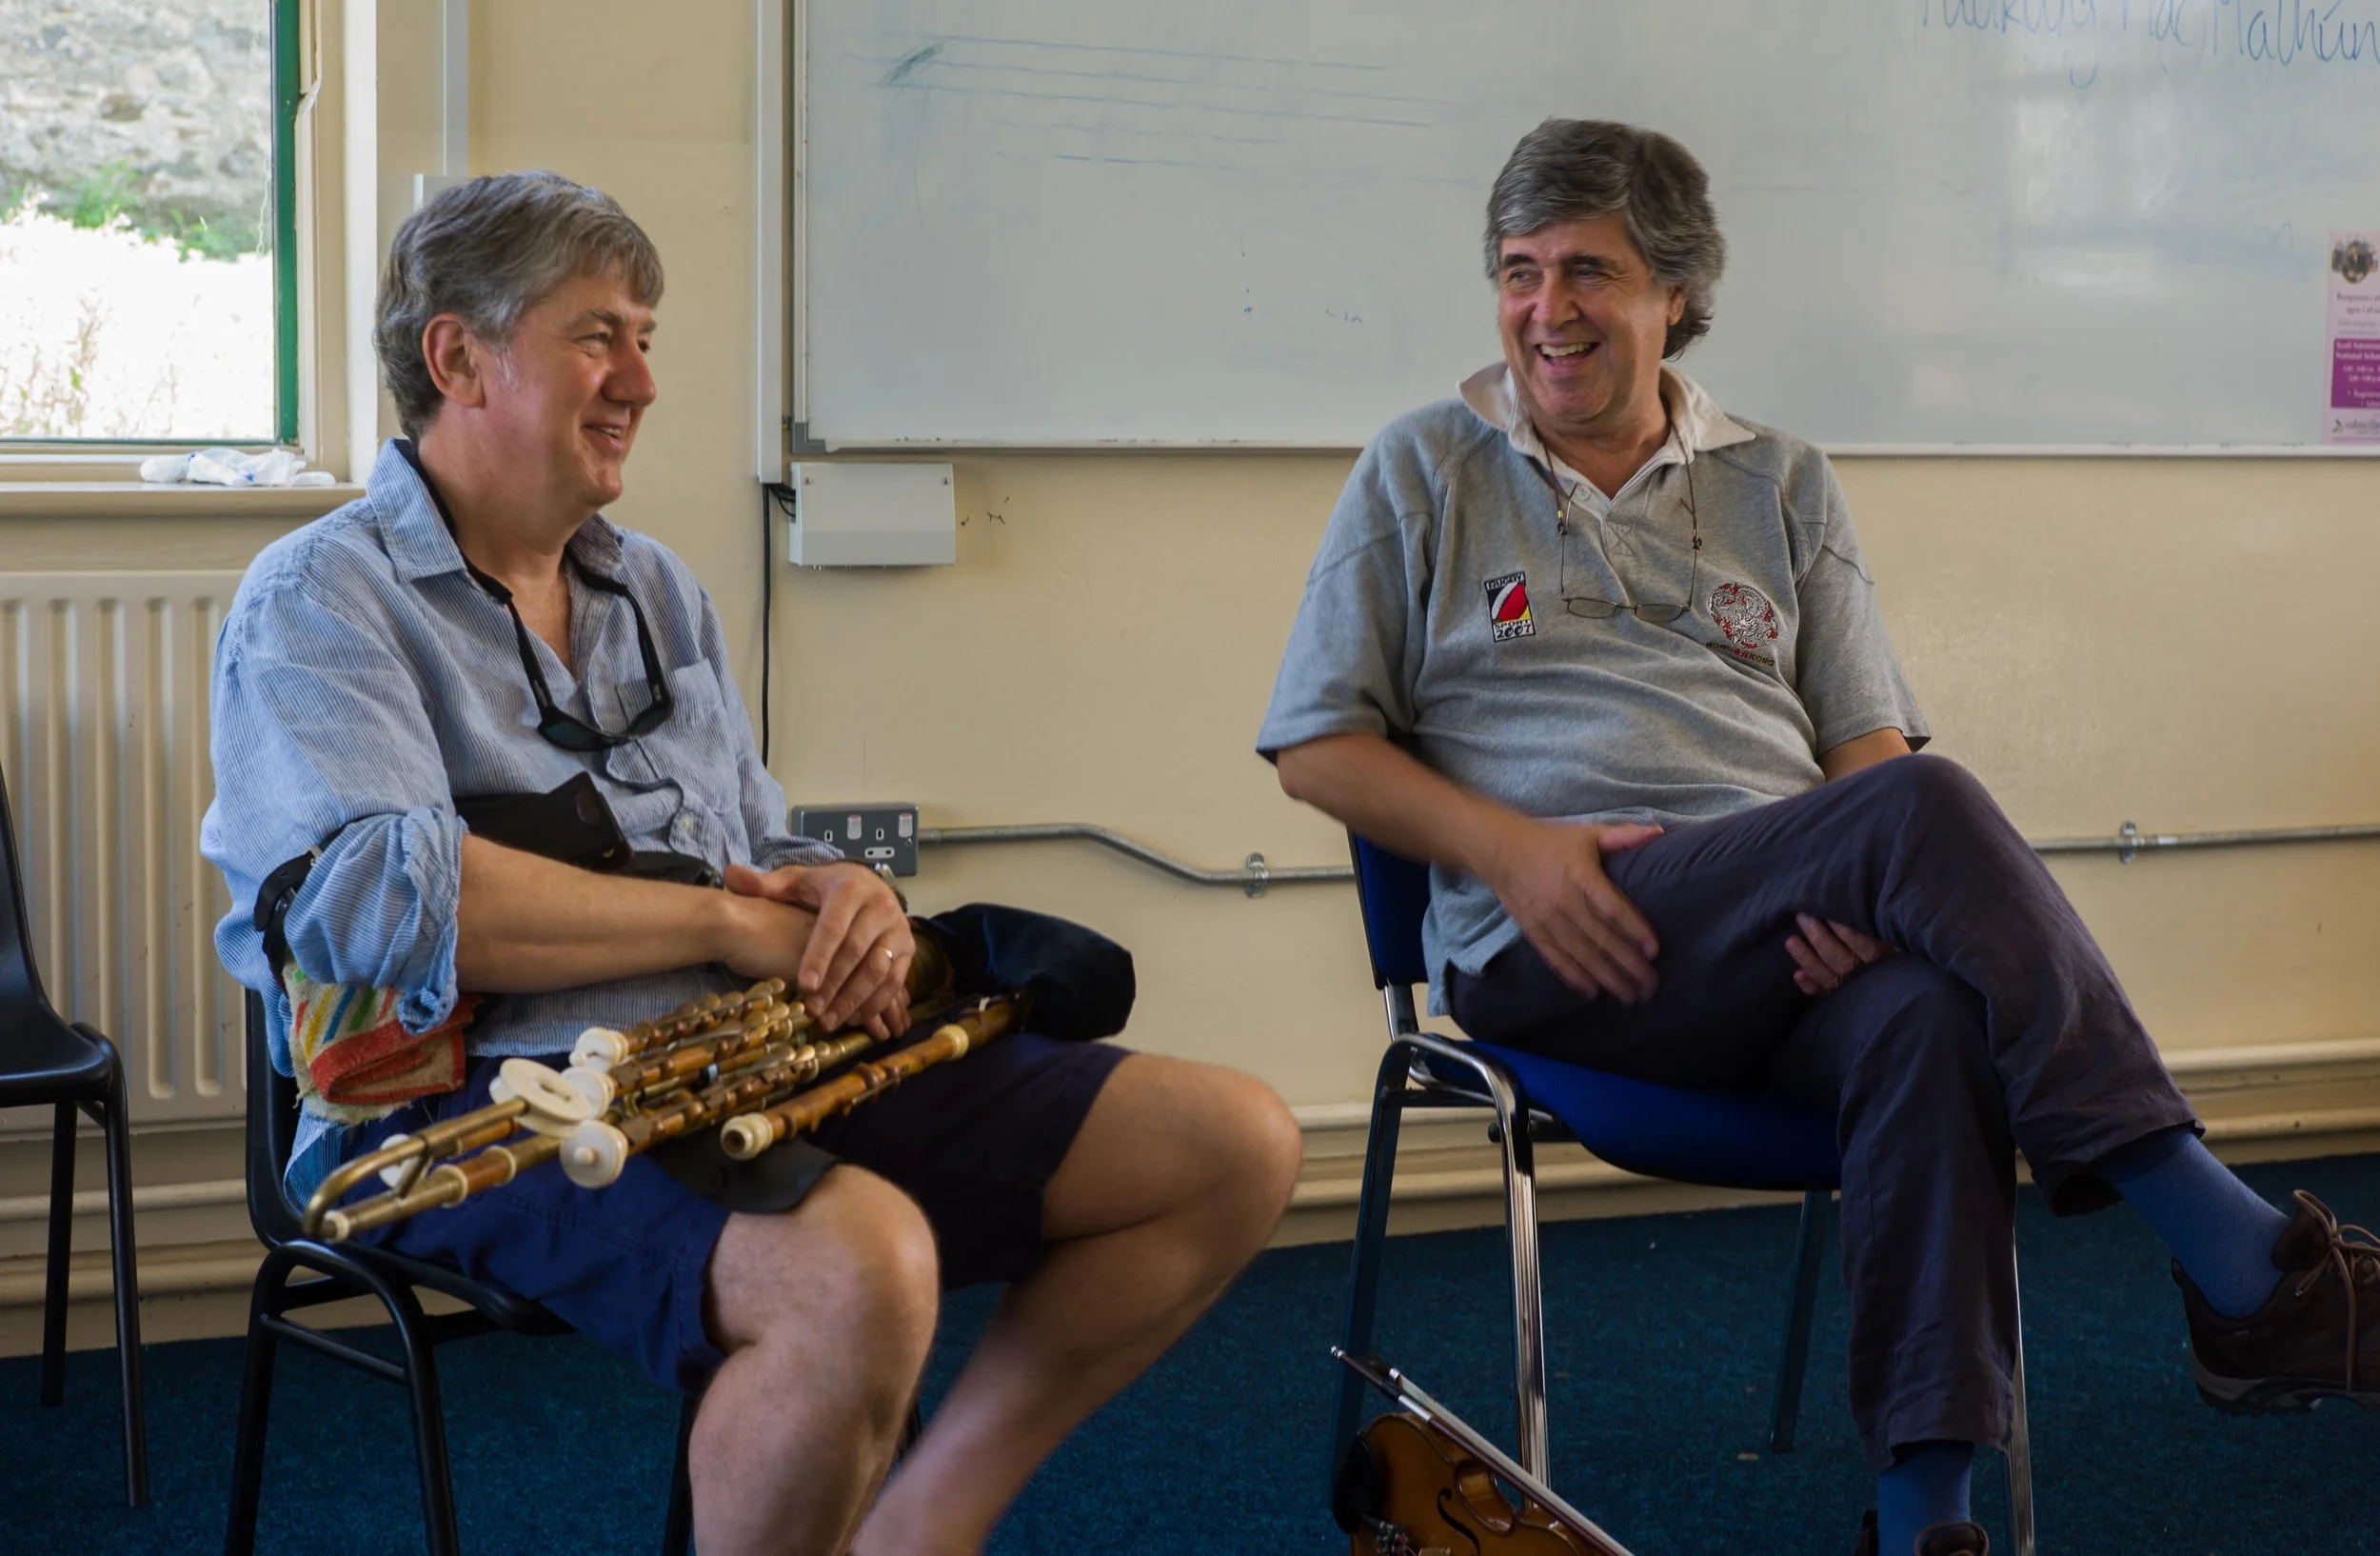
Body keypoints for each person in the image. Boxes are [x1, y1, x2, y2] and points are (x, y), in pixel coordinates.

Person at [1259, 119, 2376, 1556]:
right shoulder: (1423, 468)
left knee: (1925, 1015)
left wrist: (1870, 903)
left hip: (1778, 937)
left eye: (1589, 271)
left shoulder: (1780, 478)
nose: (1547, 309)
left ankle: (1925, 1525)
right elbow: (1316, 743)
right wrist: (1512, 852)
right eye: (1520, 272)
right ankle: (2244, 1263)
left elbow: (1863, 745)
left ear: (1676, 292)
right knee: (1924, 807)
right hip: (1561, 934)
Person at [203, 170, 1302, 1556]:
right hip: (471, 1098)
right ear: (459, 358)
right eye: (597, 336)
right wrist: (722, 927)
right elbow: (377, 905)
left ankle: (920, 1527)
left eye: (645, 338)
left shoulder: (656, 587)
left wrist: (842, 892)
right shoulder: (319, 592)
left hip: (749, 1055)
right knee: (857, 1274)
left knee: (1231, 1145)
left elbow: (757, 849)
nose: (641, 381)